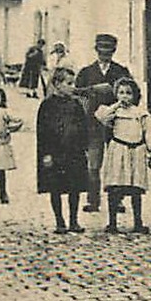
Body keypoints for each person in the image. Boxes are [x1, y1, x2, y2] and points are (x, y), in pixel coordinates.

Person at [74, 33, 133, 213]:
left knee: (117, 164)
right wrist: (93, 89)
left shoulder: (121, 71)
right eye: (102, 50)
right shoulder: (86, 72)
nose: (105, 54)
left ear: (114, 51)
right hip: (92, 125)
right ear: (96, 50)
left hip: (117, 125)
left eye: (109, 51)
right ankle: (93, 200)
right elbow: (75, 94)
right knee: (93, 165)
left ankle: (118, 200)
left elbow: (134, 94)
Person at [95, 77, 151, 233]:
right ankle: (112, 223)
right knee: (115, 188)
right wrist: (116, 105)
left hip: (136, 152)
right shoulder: (113, 112)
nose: (125, 96)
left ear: (135, 95)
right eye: (121, 93)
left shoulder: (140, 113)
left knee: (136, 189)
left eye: (128, 93)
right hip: (118, 151)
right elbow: (100, 117)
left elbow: (149, 132)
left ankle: (138, 222)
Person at [36, 66, 88, 233]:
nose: (72, 87)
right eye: (69, 83)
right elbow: (42, 132)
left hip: (74, 152)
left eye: (73, 83)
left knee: (75, 187)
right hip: (55, 152)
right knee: (55, 187)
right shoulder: (47, 105)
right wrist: (45, 154)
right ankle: (59, 221)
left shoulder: (76, 104)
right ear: (57, 84)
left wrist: (83, 147)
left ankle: (74, 220)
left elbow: (82, 126)